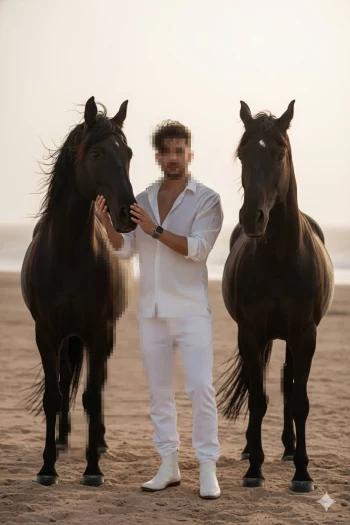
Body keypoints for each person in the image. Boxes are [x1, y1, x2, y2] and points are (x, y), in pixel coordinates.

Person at [95, 120, 223, 499]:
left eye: (179, 151)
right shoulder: (144, 198)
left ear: (190, 154)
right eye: (166, 151)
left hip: (190, 311)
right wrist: (106, 223)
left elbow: (197, 249)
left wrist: (152, 229)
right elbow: (125, 249)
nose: (173, 157)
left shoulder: (208, 200)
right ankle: (169, 465)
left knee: (201, 388)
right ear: (158, 157)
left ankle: (207, 467)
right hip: (151, 312)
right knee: (159, 392)